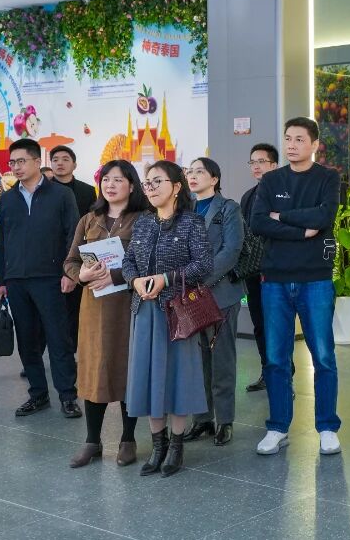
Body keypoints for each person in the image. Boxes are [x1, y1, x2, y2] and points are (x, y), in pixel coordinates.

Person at [250, 118, 341, 456]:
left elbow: (324, 218)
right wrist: (301, 230)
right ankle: (277, 427)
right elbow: (258, 222)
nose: (291, 144)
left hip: (315, 279)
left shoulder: (328, 178)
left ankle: (327, 427)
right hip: (274, 279)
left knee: (324, 357)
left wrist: (282, 216)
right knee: (276, 358)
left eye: (299, 139)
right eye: (287, 138)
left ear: (314, 144)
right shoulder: (271, 179)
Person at [122, 160, 212, 477]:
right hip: (144, 312)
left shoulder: (192, 223)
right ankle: (157, 445)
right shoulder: (143, 223)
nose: (150, 188)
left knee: (178, 379)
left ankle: (176, 445)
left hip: (177, 314)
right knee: (147, 378)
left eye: (157, 181)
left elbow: (204, 265)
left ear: (176, 187)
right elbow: (128, 261)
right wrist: (134, 280)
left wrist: (166, 278)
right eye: (147, 183)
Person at [62, 160, 150, 468]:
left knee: (126, 368)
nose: (110, 185)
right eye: (106, 179)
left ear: (132, 185)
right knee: (93, 370)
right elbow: (70, 261)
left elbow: (148, 263)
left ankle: (128, 438)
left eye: (118, 179)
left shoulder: (144, 219)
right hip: (94, 307)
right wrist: (81, 275)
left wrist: (113, 276)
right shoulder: (89, 219)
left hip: (129, 305)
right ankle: (92, 441)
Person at [0, 138, 82, 418]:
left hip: (51, 279)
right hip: (17, 280)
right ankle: (38, 394)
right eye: (12, 162)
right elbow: (2, 241)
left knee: (59, 339)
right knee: (27, 341)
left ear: (36, 161)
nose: (16, 167)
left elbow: (73, 235)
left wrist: (70, 272)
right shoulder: (8, 199)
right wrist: (1, 281)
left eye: (21, 161)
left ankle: (68, 396)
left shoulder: (61, 195)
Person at [181, 157, 245, 447]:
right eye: (190, 172)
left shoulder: (229, 208)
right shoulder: (185, 210)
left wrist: (199, 279)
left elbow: (231, 251)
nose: (193, 176)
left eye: (199, 172)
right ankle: (202, 419)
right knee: (197, 361)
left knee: (222, 359)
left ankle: (225, 420)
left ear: (214, 178)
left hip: (221, 294)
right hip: (190, 296)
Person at [51, 145, 96, 361]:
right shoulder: (42, 190)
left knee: (73, 310)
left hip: (77, 257)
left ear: (74, 164)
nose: (60, 163)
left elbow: (92, 227)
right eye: (55, 159)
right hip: (49, 257)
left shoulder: (87, 191)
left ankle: (71, 355)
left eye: (65, 159)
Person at [240, 143, 277, 392]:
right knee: (260, 325)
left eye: (261, 161)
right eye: (252, 162)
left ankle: (284, 376)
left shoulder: (283, 193)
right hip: (253, 270)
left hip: (277, 270)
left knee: (277, 326)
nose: (256, 166)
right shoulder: (248, 196)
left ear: (274, 165)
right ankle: (267, 372)